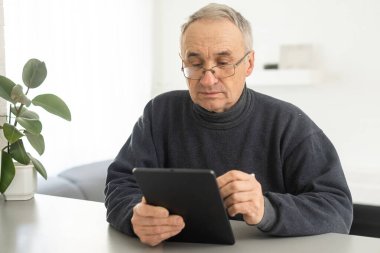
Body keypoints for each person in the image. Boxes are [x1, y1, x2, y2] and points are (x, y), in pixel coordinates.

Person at [105, 3, 353, 247]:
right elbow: (120, 183)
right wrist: (134, 215)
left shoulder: (288, 123)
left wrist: (267, 209)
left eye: (223, 63)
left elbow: (338, 210)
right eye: (195, 63)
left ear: (249, 64)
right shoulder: (159, 114)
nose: (208, 79)